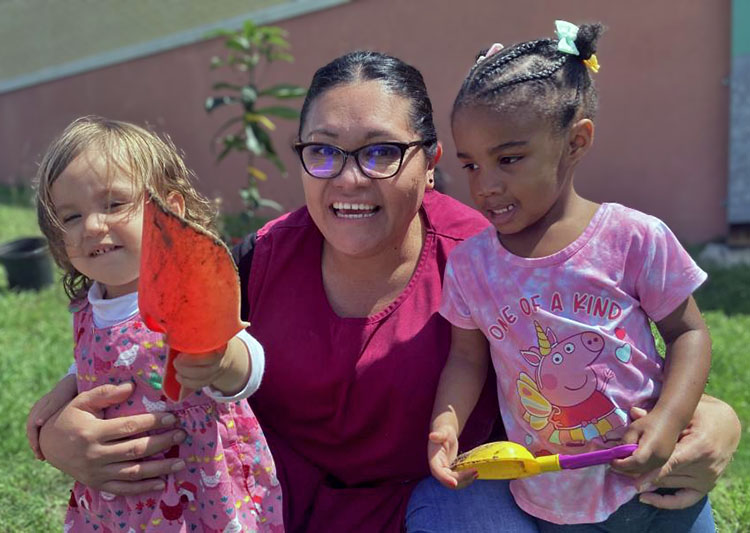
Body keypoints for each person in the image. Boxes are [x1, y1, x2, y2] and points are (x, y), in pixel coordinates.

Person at [35, 53, 740, 533]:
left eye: (379, 151)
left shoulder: (485, 259)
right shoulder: (258, 260)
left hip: (439, 515)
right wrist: (52, 433)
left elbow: (596, 332)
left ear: (431, 163)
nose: (347, 178)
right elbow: (142, 339)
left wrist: (712, 416)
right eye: (323, 151)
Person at [428, 21, 716, 532]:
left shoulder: (633, 238)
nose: (486, 186)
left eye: (509, 159)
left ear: (576, 141)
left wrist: (669, 422)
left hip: (656, 485)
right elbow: (466, 358)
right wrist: (446, 423)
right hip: (554, 498)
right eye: (470, 165)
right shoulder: (473, 266)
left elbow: (688, 334)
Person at [27, 116, 283, 532]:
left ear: (171, 211)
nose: (92, 226)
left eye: (113, 204)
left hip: (199, 486)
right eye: (71, 217)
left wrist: (220, 360)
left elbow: (249, 362)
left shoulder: (185, 292)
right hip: (119, 494)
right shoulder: (89, 306)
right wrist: (68, 384)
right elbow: (97, 361)